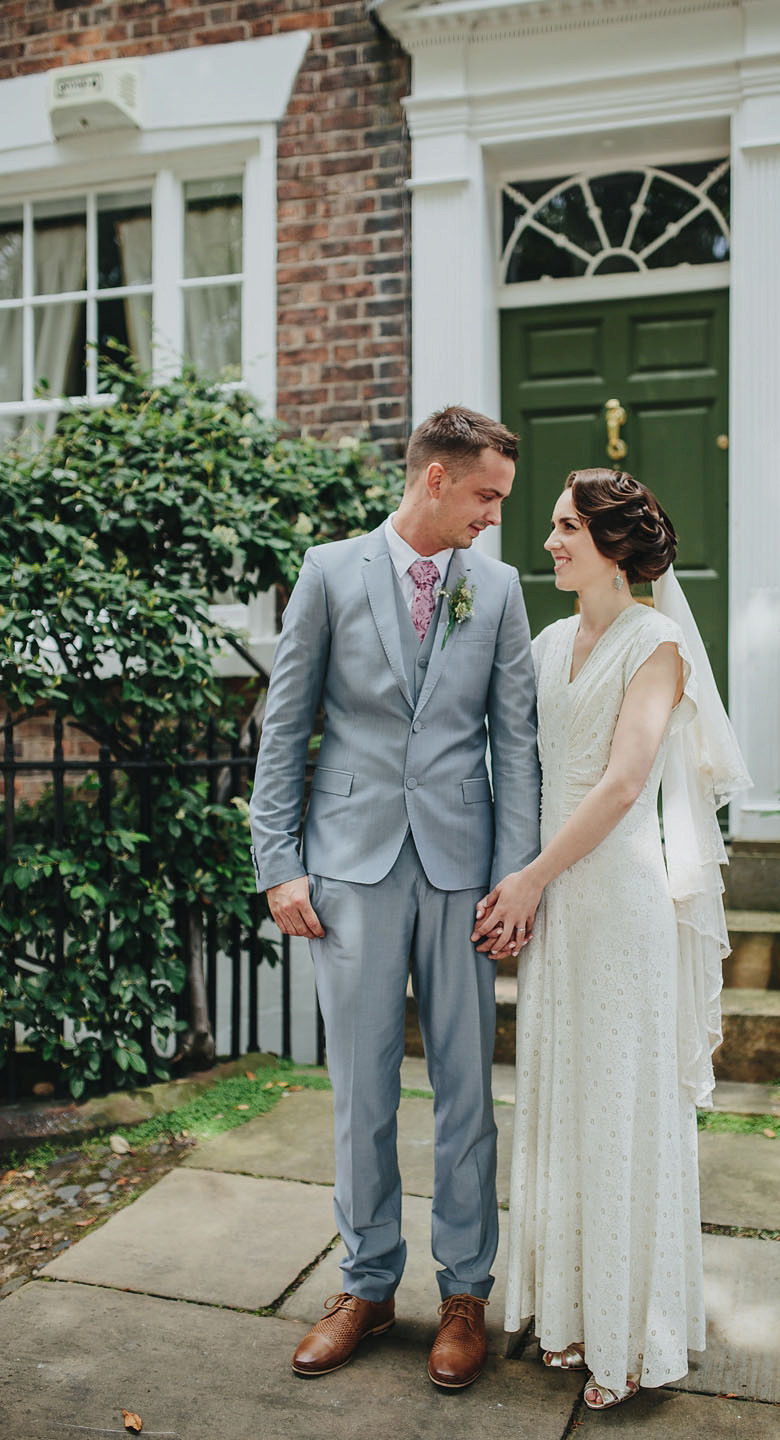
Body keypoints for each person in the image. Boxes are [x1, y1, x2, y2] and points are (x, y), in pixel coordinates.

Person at [248, 406, 541, 1390]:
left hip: (462, 874)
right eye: (487, 496)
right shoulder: (330, 573)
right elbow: (284, 725)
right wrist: (279, 863)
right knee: (360, 1090)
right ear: (435, 481)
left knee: (467, 1092)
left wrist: (516, 877)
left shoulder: (497, 590)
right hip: (350, 868)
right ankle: (367, 1286)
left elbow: (518, 746)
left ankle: (465, 1293)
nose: (497, 516)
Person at [471, 468, 751, 1410]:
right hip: (555, 904)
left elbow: (625, 782)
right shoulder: (551, 642)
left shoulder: (658, 643)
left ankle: (634, 1339)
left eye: (564, 528)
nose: (548, 542)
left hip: (614, 897)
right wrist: (525, 882)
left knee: (624, 1106)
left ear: (613, 544)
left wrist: (531, 879)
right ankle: (572, 1313)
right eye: (552, 526)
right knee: (567, 1101)